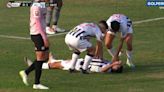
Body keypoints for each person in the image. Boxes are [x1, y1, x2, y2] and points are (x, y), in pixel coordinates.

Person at [19, 0, 50, 89]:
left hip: (42, 33)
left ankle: (26, 72)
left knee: (44, 58)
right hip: (37, 34)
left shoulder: (42, 4)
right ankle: (36, 83)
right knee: (40, 58)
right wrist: (45, 38)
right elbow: (38, 24)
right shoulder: (36, 7)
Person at [25, 57, 123, 73]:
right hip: (80, 61)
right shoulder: (109, 64)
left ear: (114, 69)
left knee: (57, 65)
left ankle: (34, 66)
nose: (115, 64)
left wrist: (112, 64)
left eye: (117, 66)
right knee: (59, 62)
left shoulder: (107, 69)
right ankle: (51, 60)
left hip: (77, 66)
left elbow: (101, 70)